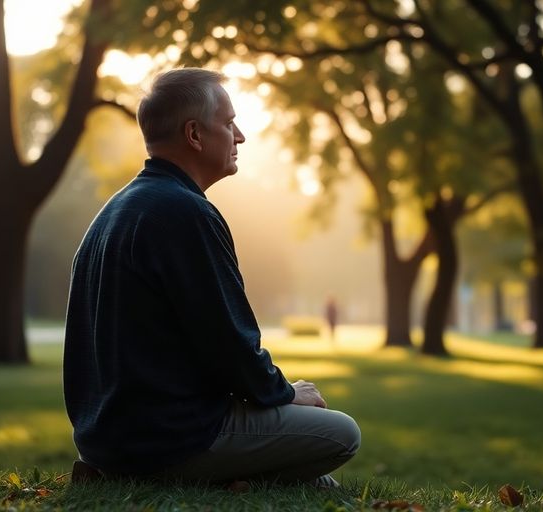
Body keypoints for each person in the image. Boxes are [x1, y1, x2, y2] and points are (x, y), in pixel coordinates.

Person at [63, 68, 360, 487]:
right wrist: (290, 394)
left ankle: (235, 481)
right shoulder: (184, 213)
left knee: (319, 485)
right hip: (166, 440)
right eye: (228, 123)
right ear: (195, 135)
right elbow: (230, 345)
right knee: (341, 433)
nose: (240, 136)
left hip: (107, 438)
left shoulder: (117, 210)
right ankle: (214, 483)